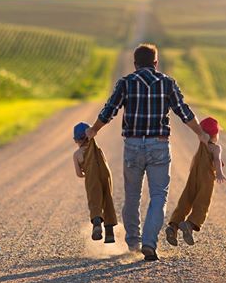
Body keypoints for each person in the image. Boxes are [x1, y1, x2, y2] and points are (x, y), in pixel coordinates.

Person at [85, 44, 210, 261]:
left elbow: (109, 111)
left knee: (132, 196)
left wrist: (93, 130)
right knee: (158, 196)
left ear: (135, 64)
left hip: (132, 146)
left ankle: (133, 243)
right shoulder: (167, 83)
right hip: (159, 145)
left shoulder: (126, 83)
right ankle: (150, 243)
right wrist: (200, 133)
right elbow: (184, 111)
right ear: (155, 63)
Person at [165, 116, 226, 246]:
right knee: (202, 202)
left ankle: (173, 226)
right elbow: (217, 160)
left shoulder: (201, 146)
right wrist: (219, 173)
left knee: (185, 200)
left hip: (193, 177)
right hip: (207, 179)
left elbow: (194, 160)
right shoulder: (215, 148)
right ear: (216, 134)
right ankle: (189, 224)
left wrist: (193, 171)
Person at [72, 122, 117, 243]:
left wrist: (87, 173)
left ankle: (97, 223)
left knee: (94, 199)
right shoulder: (97, 148)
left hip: (91, 177)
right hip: (105, 174)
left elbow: (79, 174)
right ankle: (109, 234)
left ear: (76, 140)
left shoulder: (77, 154)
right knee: (107, 199)